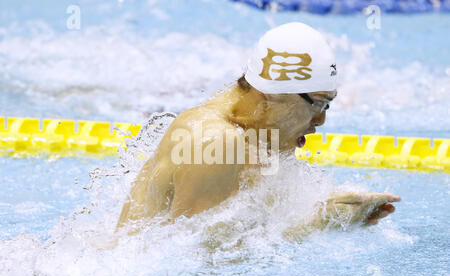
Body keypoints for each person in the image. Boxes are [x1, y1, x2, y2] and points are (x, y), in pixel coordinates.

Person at [116, 22, 400, 236]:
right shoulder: (216, 140)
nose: (320, 121)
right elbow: (188, 264)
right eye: (318, 104)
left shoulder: (253, 135)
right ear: (273, 95)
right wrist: (317, 224)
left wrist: (338, 210)